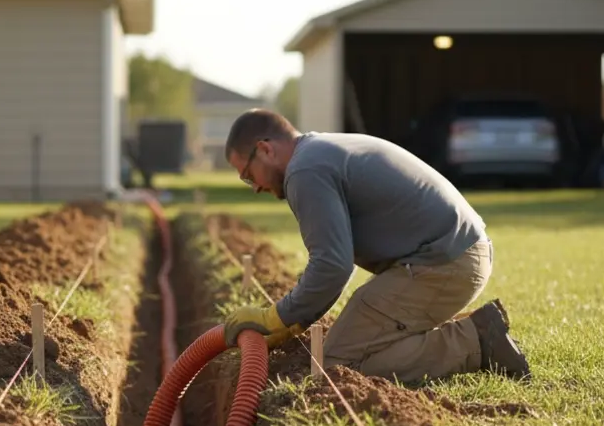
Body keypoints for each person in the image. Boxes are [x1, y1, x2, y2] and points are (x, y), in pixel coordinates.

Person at [220, 108, 530, 384]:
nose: (255, 187)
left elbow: (332, 266)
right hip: (453, 253)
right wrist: (294, 320)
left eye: (248, 175)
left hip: (445, 262)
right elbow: (333, 263)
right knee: (351, 344)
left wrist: (276, 317)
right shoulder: (317, 152)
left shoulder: (305, 171)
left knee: (338, 364)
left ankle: (477, 341)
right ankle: (473, 331)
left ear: (265, 149)